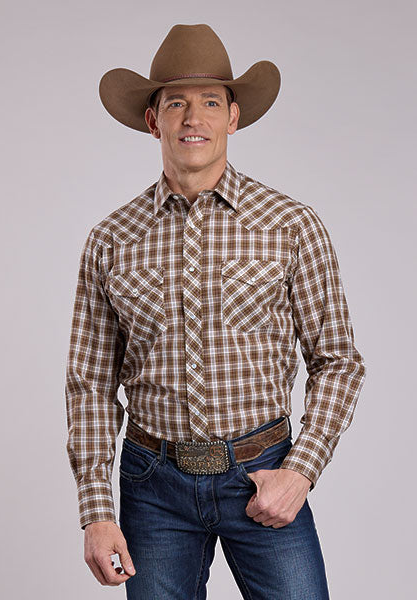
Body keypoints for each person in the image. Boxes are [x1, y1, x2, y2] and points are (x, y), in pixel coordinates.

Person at [65, 23, 366, 599]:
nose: (192, 118)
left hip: (262, 474)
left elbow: (338, 361)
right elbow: (89, 385)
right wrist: (96, 511)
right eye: (175, 103)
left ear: (233, 117)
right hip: (152, 486)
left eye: (209, 102)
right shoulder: (111, 239)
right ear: (153, 120)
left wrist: (300, 471)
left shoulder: (290, 226)